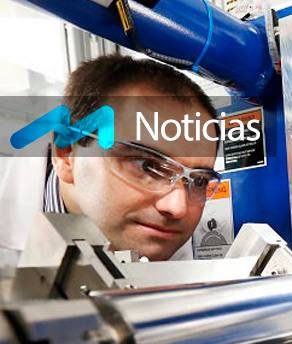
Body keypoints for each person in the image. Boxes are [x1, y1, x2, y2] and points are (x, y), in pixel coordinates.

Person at [0, 55, 221, 267]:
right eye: (147, 166)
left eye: (198, 181)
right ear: (66, 154)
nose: (178, 208)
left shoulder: (159, 227)